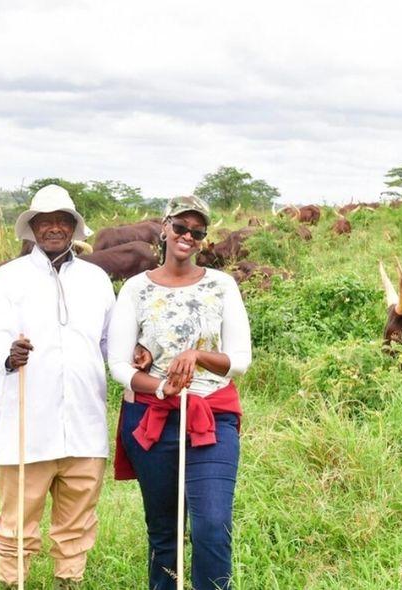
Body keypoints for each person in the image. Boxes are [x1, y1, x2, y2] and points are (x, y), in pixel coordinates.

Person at [107, 195, 252, 590]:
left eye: (197, 231)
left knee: (211, 523)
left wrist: (199, 355)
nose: (188, 235)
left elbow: (239, 359)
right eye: (181, 227)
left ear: (203, 239)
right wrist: (161, 386)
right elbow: (119, 364)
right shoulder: (136, 289)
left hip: (210, 416)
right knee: (164, 530)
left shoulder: (222, 285)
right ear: (165, 228)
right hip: (153, 417)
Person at [0, 184, 115, 589]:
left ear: (74, 227)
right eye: (45, 221)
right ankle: (11, 583)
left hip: (85, 424)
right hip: (26, 425)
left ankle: (68, 582)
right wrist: (9, 353)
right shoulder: (8, 277)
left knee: (77, 521)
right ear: (32, 228)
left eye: (62, 221)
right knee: (16, 523)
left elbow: (110, 345)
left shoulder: (96, 279)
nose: (54, 228)